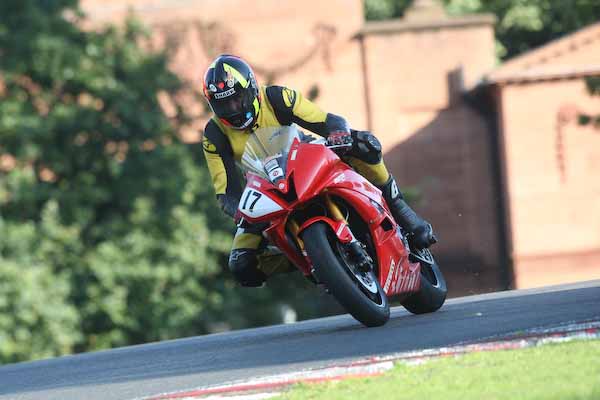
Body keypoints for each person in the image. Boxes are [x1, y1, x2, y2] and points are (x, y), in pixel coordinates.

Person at [202, 54, 436, 287]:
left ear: (252, 89)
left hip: (304, 160)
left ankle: (400, 208)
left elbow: (326, 120)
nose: (232, 109)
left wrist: (338, 133)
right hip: (267, 188)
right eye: (224, 105)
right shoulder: (214, 135)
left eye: (237, 99)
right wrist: (240, 213)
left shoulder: (276, 97)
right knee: (241, 265)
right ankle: (310, 258)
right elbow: (226, 191)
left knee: (365, 144)